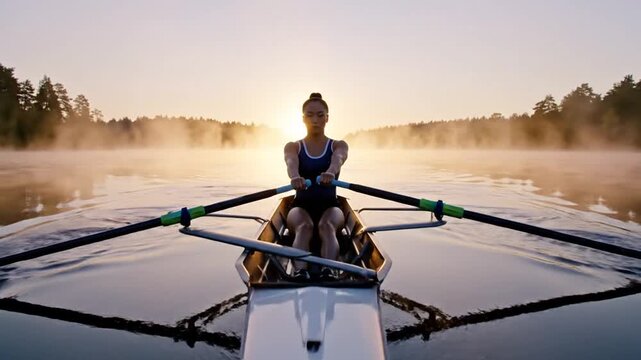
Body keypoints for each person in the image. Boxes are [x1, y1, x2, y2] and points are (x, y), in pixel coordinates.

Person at [284, 93, 349, 280]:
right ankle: (300, 271)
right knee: (305, 226)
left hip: (330, 206)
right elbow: (291, 163)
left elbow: (339, 159)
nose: (315, 120)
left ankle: (328, 271)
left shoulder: (338, 145)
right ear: (303, 118)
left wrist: (331, 171)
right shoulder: (293, 146)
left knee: (326, 225)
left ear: (327, 118)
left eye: (320, 115)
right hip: (300, 206)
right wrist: (295, 177)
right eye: (310, 115)